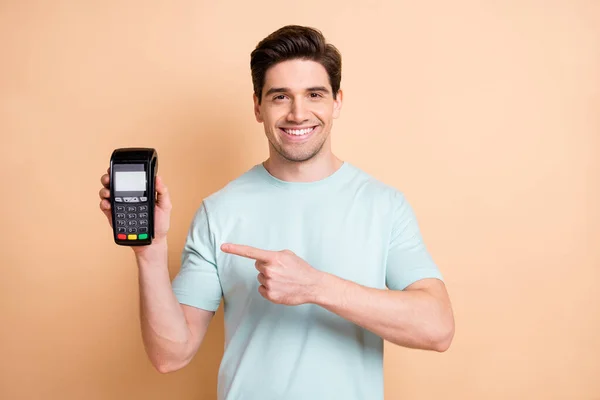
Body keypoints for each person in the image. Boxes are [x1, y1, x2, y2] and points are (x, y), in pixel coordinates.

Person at [98, 25, 454, 400]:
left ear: (337, 102)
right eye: (280, 96)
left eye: (314, 94)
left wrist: (316, 286)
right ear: (257, 106)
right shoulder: (219, 210)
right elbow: (170, 355)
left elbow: (438, 328)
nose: (298, 114)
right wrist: (150, 253)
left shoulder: (383, 205)